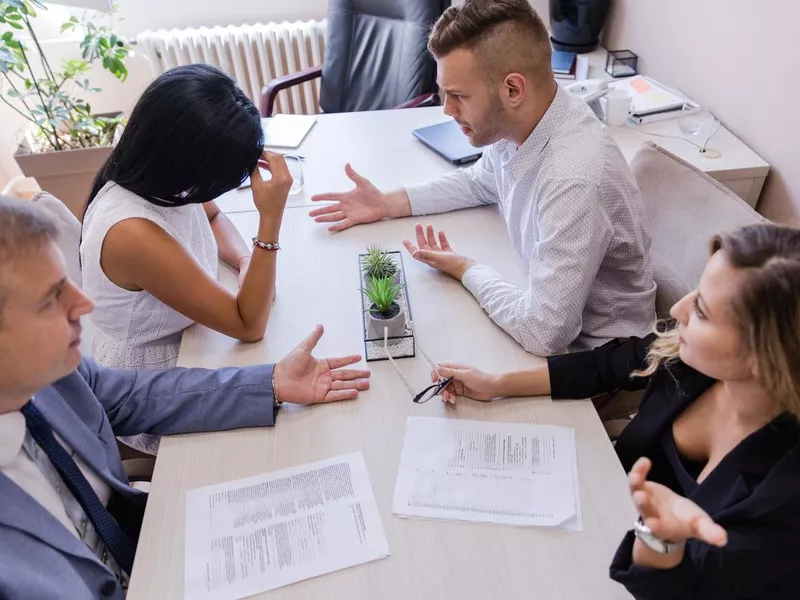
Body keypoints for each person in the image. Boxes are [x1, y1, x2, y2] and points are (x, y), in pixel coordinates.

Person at [0, 197, 370, 599]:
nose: (83, 304)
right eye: (51, 298)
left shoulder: (52, 376)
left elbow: (135, 396)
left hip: (157, 553)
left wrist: (272, 382)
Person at [430, 223, 800, 599]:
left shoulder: (784, 497)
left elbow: (696, 588)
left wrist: (660, 536)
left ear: (763, 356)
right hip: (600, 515)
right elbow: (603, 366)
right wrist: (495, 383)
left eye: (702, 310)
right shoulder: (691, 358)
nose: (677, 309)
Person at [309, 0, 656, 356]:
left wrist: (466, 268)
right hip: (548, 315)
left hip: (600, 361)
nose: (447, 108)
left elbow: (544, 333)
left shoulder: (573, 178)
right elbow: (480, 181)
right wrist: (387, 203)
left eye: (458, 95)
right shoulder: (527, 121)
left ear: (512, 90)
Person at [81, 64, 287, 373]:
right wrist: (270, 217)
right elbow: (249, 324)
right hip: (149, 379)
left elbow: (213, 216)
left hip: (194, 341)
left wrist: (245, 259)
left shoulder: (155, 173)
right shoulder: (131, 233)